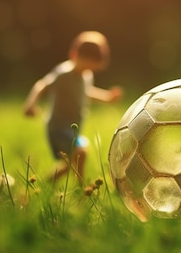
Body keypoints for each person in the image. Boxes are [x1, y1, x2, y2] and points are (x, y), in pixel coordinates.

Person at [24, 31, 122, 185]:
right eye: (86, 64)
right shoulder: (64, 73)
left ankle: (47, 182)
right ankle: (81, 189)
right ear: (74, 55)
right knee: (81, 152)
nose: (87, 69)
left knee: (73, 161)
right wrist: (31, 104)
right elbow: (42, 85)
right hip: (58, 128)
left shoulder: (86, 75)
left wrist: (107, 98)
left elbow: (86, 92)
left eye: (92, 67)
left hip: (72, 129)